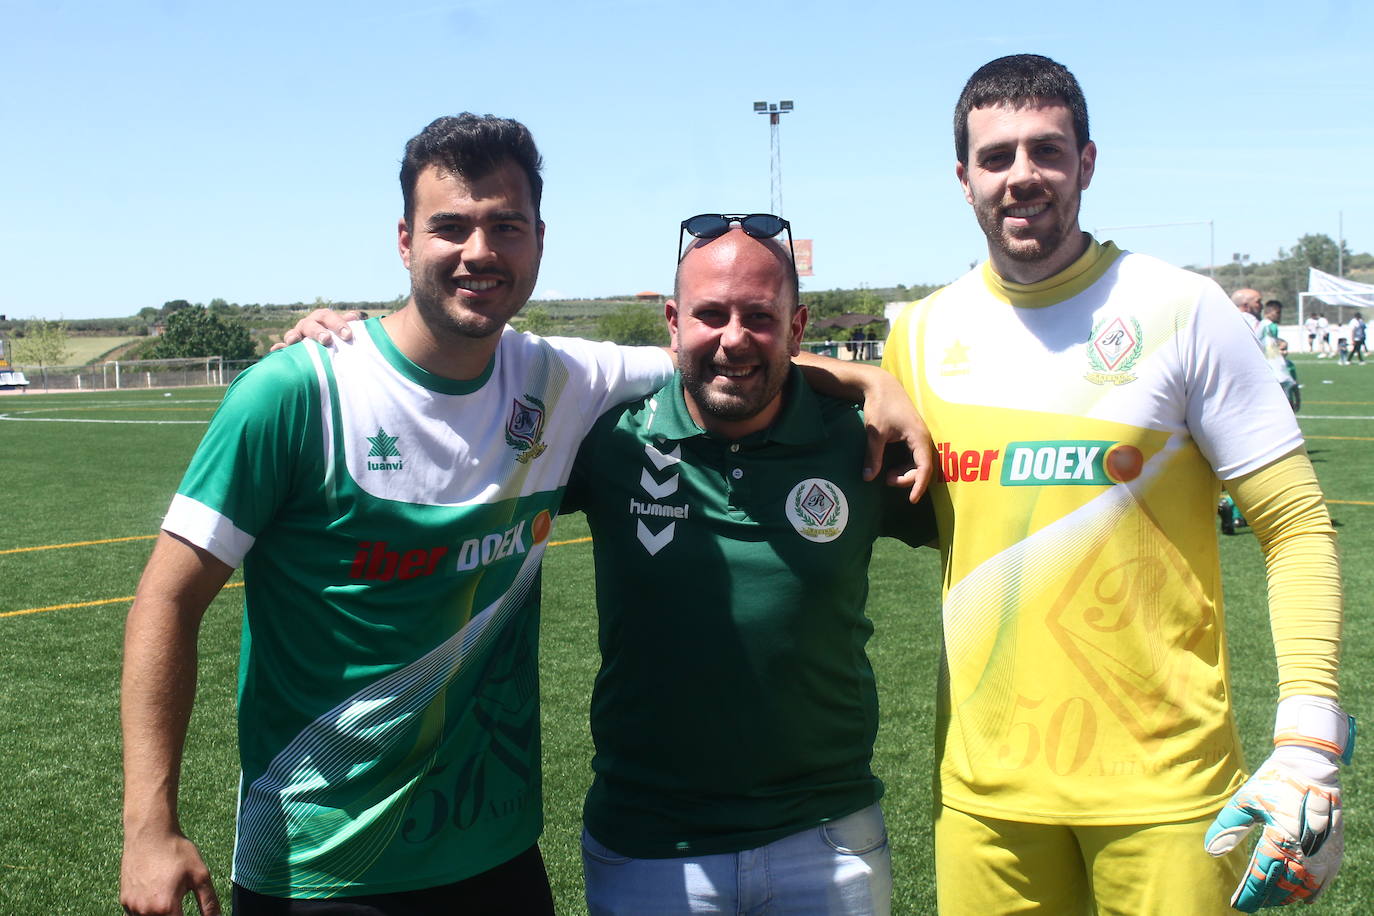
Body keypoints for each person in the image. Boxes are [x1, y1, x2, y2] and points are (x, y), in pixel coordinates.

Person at [121, 116, 931, 915]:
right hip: (320, 866)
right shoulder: (297, 393)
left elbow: (729, 356)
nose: (480, 251)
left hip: (496, 857)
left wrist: (867, 382)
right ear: (404, 241)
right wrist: (148, 827)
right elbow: (166, 598)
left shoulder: (561, 380)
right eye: (452, 227)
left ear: (538, 240)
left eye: (505, 226)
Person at [882, 54, 1349, 915]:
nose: (1021, 176)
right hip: (985, 802)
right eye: (995, 157)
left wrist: (1311, 740)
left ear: (1086, 164)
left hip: (1169, 797)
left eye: (1046, 151)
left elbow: (1297, 527)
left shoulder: (1181, 307)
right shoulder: (919, 335)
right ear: (963, 179)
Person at [565, 222, 934, 915]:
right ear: (673, 323)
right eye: (711, 313)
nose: (733, 338)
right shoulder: (610, 437)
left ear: (796, 328)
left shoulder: (861, 437)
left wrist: (874, 381)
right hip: (651, 846)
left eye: (759, 317)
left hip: (828, 839)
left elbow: (984, 522)